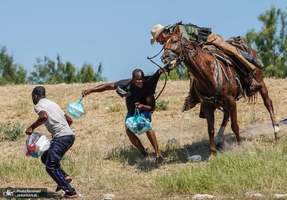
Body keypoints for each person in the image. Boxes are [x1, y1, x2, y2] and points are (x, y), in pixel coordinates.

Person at [150, 22, 263, 100]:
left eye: (157, 39)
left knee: (231, 52)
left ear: (161, 34)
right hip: (199, 50)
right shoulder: (169, 42)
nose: (158, 42)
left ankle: (251, 73)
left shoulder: (177, 30)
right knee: (193, 72)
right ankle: (196, 97)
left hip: (209, 40)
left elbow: (186, 46)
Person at [82, 68, 168, 162]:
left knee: (146, 126)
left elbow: (159, 72)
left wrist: (169, 66)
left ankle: (158, 155)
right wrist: (91, 90)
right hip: (132, 111)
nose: (140, 81)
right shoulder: (126, 84)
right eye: (137, 80)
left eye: (141, 79)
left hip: (146, 108)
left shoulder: (148, 82)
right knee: (129, 131)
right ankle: (144, 153)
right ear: (133, 79)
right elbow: (107, 86)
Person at [26, 86, 78, 198]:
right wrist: (59, 131)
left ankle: (70, 192)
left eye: (32, 97)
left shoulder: (39, 105)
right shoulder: (53, 104)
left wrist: (32, 127)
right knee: (45, 157)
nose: (32, 99)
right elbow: (69, 120)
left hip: (62, 137)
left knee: (50, 166)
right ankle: (64, 177)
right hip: (69, 136)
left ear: (35, 96)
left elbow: (43, 116)